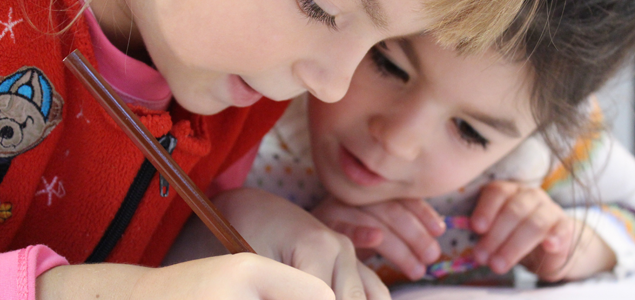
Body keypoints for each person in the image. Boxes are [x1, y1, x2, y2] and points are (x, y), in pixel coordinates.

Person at [0, 0, 531, 299]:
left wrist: (226, 231)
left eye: (375, 48)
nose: (332, 87)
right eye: (321, 7)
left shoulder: (237, 91)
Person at [169, 0, 635, 289]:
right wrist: (259, 227)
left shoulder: (537, 155)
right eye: (389, 66)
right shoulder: (258, 100)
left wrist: (575, 243)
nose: (399, 141)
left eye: (471, 132)